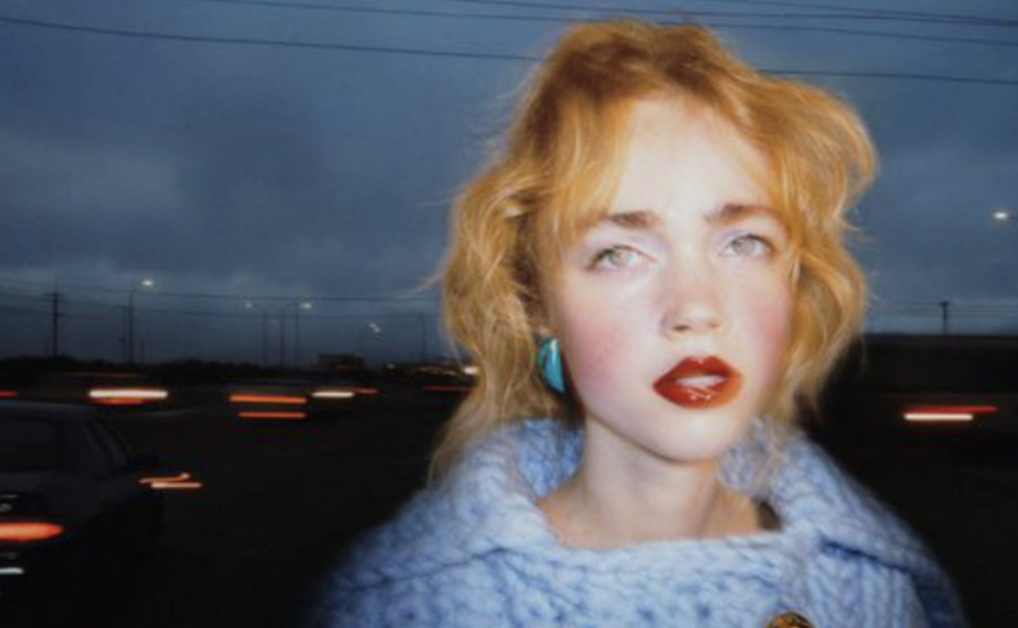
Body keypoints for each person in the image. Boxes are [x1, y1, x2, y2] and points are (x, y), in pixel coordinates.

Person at [309, 19, 965, 628]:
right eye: (618, 253)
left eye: (743, 242)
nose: (696, 308)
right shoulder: (407, 609)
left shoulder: (885, 590)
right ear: (538, 307)